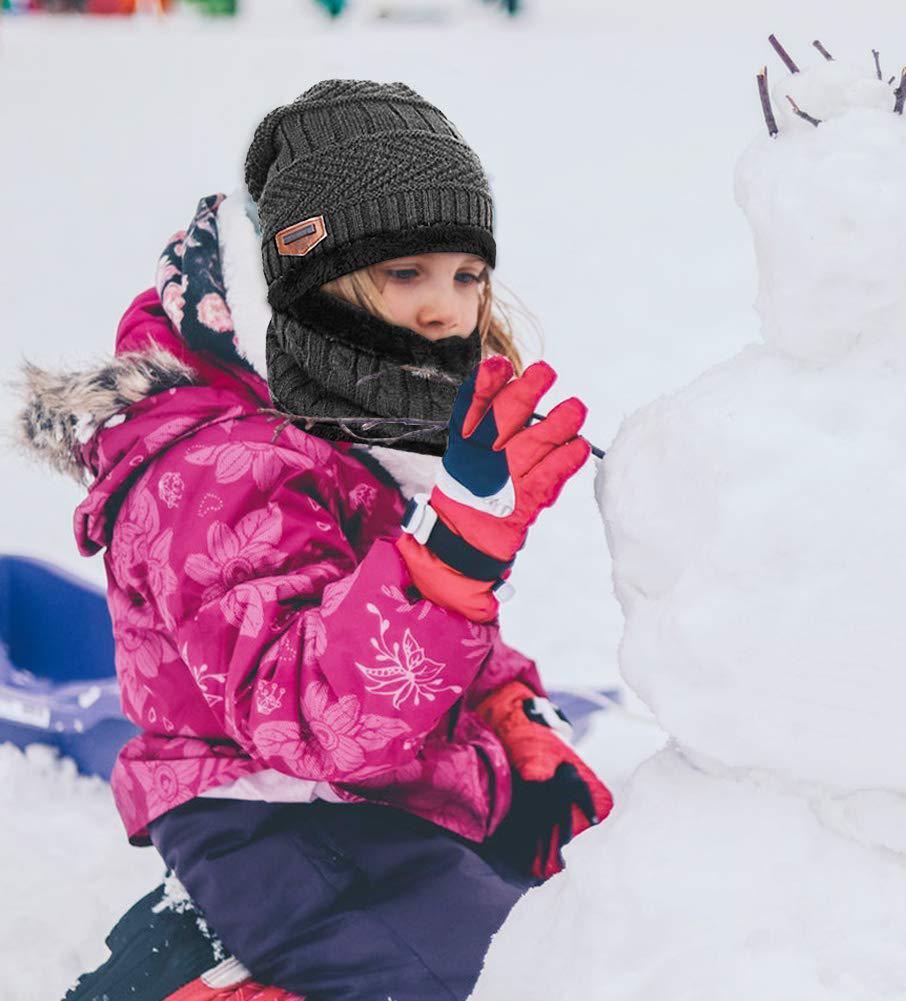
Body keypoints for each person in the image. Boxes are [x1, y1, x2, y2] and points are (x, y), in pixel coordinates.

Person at [21, 79, 612, 1001]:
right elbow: (306, 719)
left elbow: (402, 617)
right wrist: (454, 557)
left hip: (395, 781)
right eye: (404, 273)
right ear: (307, 275)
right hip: (272, 814)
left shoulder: (360, 411)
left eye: (466, 275)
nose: (444, 309)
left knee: (601, 913)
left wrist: (505, 709)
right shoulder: (215, 469)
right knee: (507, 978)